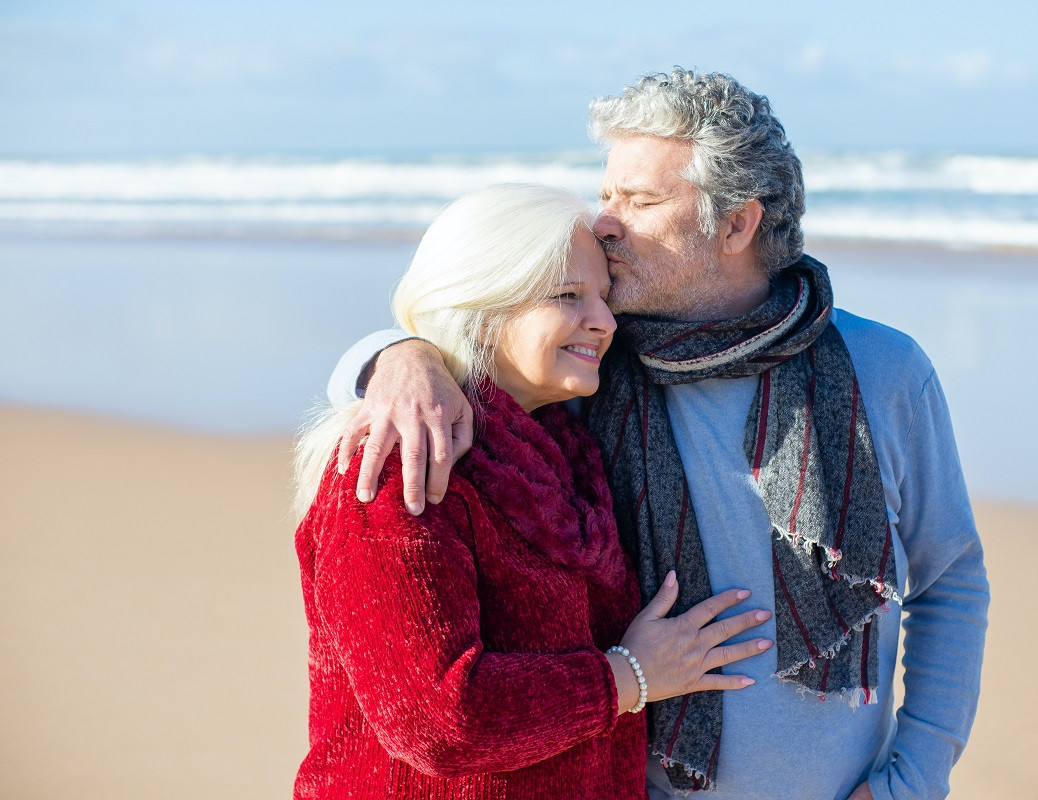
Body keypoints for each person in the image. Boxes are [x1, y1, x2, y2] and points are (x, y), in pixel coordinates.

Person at [329, 70, 990, 800]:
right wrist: (395, 356)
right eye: (606, 194)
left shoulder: (885, 371)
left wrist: (915, 778)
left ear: (737, 224)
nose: (605, 222)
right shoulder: (590, 369)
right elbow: (477, 332)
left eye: (639, 201)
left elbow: (949, 579)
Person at [293, 183, 774, 800]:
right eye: (567, 296)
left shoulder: (566, 450)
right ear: (482, 306)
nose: (603, 321)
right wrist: (629, 676)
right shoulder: (401, 463)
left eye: (604, 296)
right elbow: (437, 723)